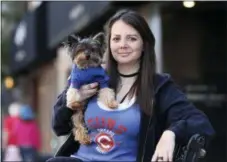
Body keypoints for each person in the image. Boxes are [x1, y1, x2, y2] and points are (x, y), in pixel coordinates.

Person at [47, 9, 215, 162]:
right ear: (109, 45)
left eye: (132, 38)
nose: (122, 45)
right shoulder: (91, 76)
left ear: (144, 45)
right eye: (116, 39)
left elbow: (200, 123)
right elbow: (58, 126)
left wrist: (171, 133)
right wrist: (72, 101)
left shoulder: (159, 87)